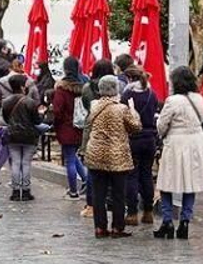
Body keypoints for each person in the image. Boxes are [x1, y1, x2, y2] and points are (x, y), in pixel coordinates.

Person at [154, 66, 203, 239]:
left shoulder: (173, 101)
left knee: (167, 183)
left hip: (175, 143)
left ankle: (167, 221)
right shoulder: (199, 99)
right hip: (195, 143)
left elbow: (162, 125)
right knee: (190, 183)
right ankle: (185, 220)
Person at [81, 75, 139, 237]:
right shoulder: (121, 109)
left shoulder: (94, 106)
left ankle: (100, 227)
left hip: (96, 154)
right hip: (117, 155)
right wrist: (133, 112)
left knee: (99, 193)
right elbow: (135, 127)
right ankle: (117, 227)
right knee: (118, 193)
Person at [121, 66, 162, 225]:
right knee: (146, 175)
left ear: (129, 79)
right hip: (150, 139)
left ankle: (132, 213)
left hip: (133, 139)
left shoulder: (127, 95)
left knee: (131, 176)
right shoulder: (152, 94)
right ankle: (148, 212)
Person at [49, 56, 89, 199]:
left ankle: (73, 191)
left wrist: (54, 124)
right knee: (74, 156)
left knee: (70, 160)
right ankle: (85, 181)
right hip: (81, 127)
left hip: (66, 128)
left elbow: (57, 111)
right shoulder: (84, 87)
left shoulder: (62, 89)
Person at [1, 75, 42, 201]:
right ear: (21, 86)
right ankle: (25, 191)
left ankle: (15, 191)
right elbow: (37, 121)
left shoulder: (6, 102)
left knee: (16, 162)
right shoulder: (30, 102)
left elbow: (6, 119)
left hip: (13, 136)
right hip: (29, 136)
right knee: (26, 163)